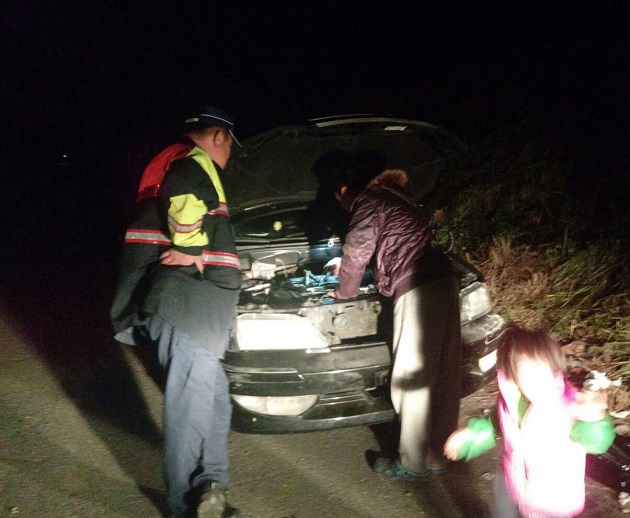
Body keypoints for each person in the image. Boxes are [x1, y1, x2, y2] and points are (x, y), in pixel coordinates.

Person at [110, 106, 248, 518]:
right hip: (187, 304)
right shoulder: (192, 164)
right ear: (220, 137)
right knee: (191, 405)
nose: (228, 157)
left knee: (214, 400)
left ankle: (211, 485)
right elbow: (186, 198)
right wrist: (189, 248)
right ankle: (185, 505)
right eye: (230, 148)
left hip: (196, 306)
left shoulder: (171, 160)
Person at [323, 162, 462, 479]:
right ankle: (439, 456)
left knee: (411, 379)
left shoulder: (368, 201)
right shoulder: (400, 198)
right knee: (442, 376)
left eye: (339, 199)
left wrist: (344, 291)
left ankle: (412, 463)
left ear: (344, 191)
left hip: (417, 287)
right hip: (443, 279)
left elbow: (357, 249)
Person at [444, 325, 615, 518]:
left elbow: (595, 440)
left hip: (550, 502)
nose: (539, 379)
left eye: (544, 369)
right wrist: (472, 435)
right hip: (511, 482)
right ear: (512, 375)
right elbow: (495, 423)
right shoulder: (510, 399)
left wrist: (594, 420)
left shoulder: (570, 406)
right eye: (527, 371)